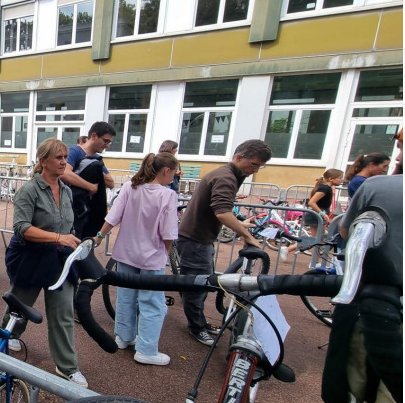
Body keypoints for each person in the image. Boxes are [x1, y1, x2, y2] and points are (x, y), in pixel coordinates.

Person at [308, 173, 402, 403]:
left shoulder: (381, 187)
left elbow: (347, 230)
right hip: (380, 304)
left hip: (373, 302)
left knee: (348, 379)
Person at [3, 138, 86, 387]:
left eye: (65, 157)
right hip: (30, 256)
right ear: (43, 161)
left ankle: (67, 366)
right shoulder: (29, 190)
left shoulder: (67, 190)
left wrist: (72, 240)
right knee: (20, 304)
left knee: (63, 313)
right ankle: (7, 338)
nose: (64, 162)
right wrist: (58, 237)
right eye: (58, 158)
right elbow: (21, 227)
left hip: (59, 259)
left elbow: (68, 224)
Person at [177, 139, 271, 346]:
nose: (255, 170)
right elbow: (222, 213)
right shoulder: (226, 178)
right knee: (197, 286)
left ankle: (199, 322)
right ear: (239, 157)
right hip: (195, 239)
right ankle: (196, 327)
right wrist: (248, 236)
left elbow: (219, 210)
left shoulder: (228, 174)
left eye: (260, 166)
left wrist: (241, 224)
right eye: (254, 164)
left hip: (198, 238)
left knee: (201, 284)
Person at [94, 152, 179, 366]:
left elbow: (113, 216)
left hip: (125, 253)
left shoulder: (130, 187)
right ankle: (147, 349)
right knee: (152, 303)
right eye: (174, 172)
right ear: (166, 170)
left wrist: (99, 236)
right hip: (151, 257)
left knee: (125, 297)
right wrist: (164, 253)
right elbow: (168, 232)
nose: (174, 176)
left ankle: (124, 336)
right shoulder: (167, 195)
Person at [64, 123, 116, 239]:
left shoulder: (97, 159)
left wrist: (94, 169)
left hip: (87, 212)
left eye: (109, 142)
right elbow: (65, 173)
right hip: (70, 210)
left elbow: (111, 183)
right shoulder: (75, 151)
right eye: (105, 141)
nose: (107, 145)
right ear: (93, 136)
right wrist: (90, 186)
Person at [280, 168, 342, 260]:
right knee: (317, 240)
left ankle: (289, 250)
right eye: (340, 178)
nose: (341, 180)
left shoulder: (326, 188)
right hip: (315, 216)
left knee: (318, 239)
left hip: (316, 215)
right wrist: (322, 214)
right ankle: (313, 262)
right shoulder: (324, 188)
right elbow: (311, 202)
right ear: (331, 179)